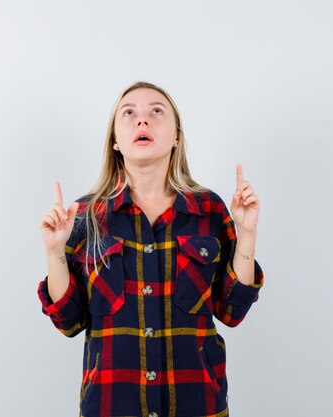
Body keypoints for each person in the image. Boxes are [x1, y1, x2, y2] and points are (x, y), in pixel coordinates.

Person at [37, 81, 264, 417]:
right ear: (115, 140)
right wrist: (54, 251)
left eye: (156, 112)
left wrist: (247, 233)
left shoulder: (209, 210)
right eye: (129, 114)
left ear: (176, 136)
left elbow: (232, 312)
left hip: (197, 404)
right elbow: (69, 321)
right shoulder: (84, 216)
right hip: (112, 405)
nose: (142, 121)